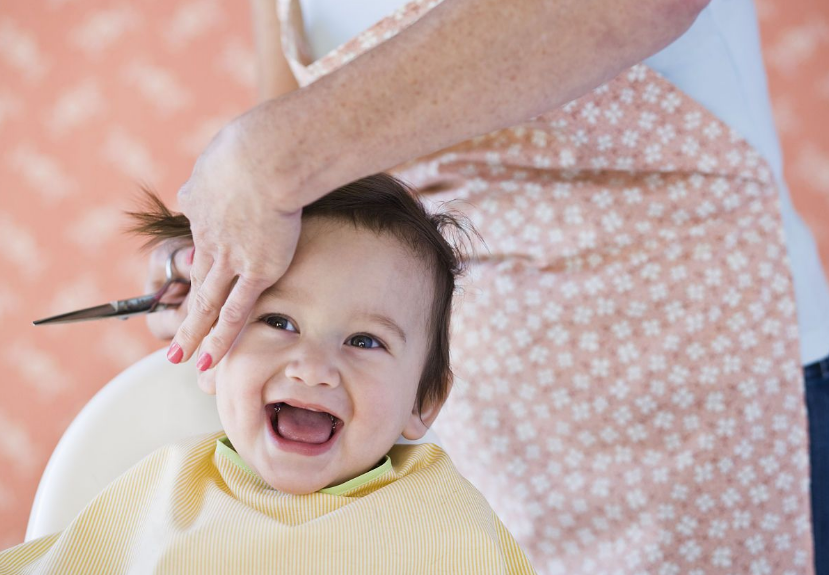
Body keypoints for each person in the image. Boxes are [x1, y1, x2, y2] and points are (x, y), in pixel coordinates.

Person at [154, 0, 828, 572]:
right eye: (279, 324)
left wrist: (266, 161)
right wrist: (224, 252)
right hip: (486, 434)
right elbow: (303, 153)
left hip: (697, 401)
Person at [0, 175, 535, 574]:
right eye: (279, 322)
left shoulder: (452, 535)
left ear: (424, 400)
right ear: (213, 339)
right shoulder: (160, 499)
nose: (314, 367)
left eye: (365, 341)